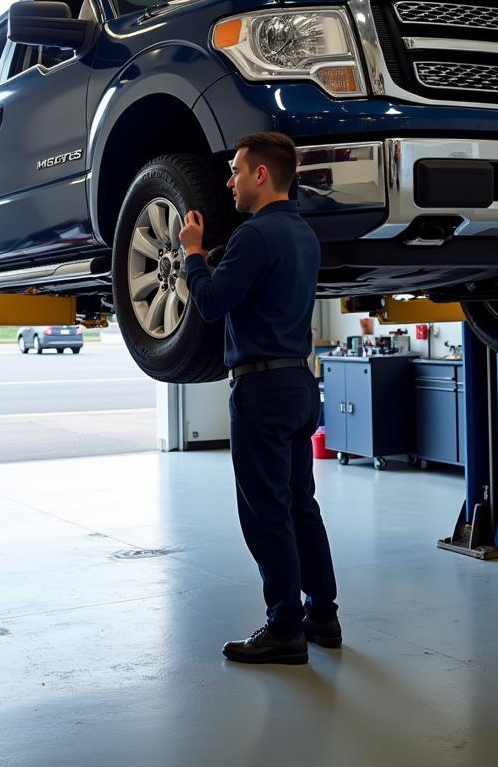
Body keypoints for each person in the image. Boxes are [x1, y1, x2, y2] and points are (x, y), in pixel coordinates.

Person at [179, 131, 340, 666]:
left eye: (236, 171)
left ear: (261, 175)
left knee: (266, 513)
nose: (229, 182)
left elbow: (209, 303)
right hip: (299, 383)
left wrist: (194, 255)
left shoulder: (255, 235)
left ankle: (283, 630)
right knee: (300, 505)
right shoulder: (303, 235)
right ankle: (323, 616)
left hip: (261, 389)